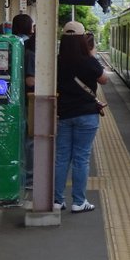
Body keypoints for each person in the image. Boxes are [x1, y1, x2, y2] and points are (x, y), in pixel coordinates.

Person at [53, 20, 107, 213]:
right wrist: (92, 56)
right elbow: (104, 80)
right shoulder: (88, 61)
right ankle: (79, 201)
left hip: (64, 114)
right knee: (81, 159)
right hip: (86, 115)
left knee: (61, 158)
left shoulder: (57, 61)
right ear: (82, 39)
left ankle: (57, 201)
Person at [11, 14, 37, 188]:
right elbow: (30, 80)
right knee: (29, 139)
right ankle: (28, 177)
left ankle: (19, 174)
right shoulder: (29, 49)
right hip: (28, 100)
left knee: (19, 137)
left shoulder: (11, 43)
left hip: (12, 97)